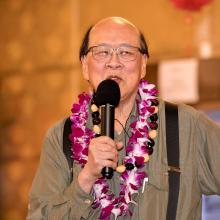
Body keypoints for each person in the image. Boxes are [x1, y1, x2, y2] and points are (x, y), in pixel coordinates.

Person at [27, 17, 220, 220]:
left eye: (126, 52)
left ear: (143, 64)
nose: (114, 63)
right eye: (102, 52)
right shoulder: (62, 138)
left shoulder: (185, 125)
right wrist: (86, 178)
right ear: (85, 65)